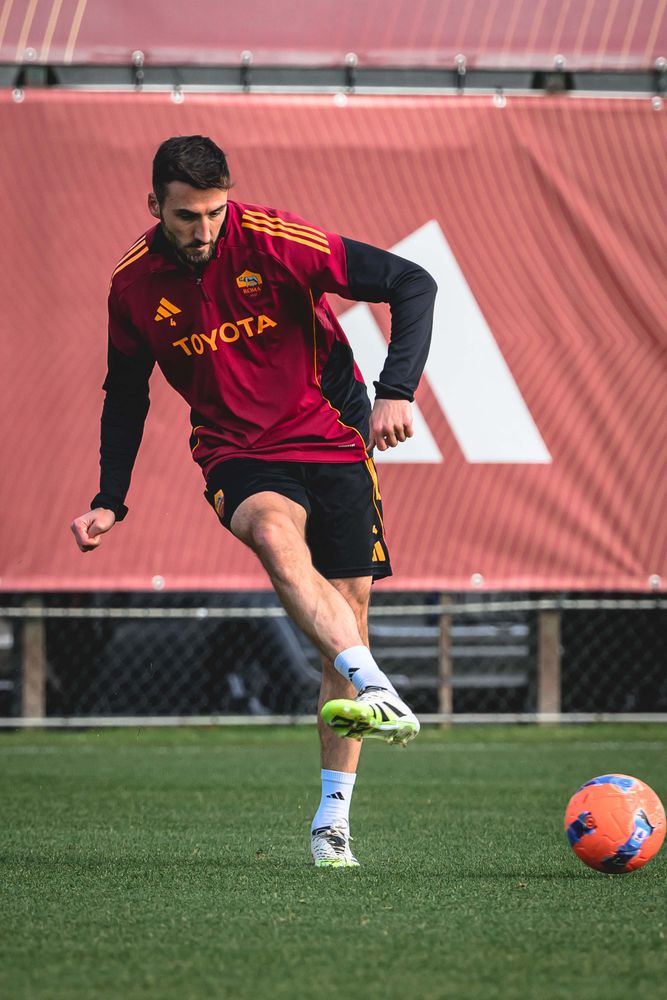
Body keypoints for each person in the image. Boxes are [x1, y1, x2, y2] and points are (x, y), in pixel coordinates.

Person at [71, 135, 437, 868]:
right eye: (185, 217)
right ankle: (379, 688)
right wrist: (111, 496)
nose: (202, 231)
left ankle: (332, 821)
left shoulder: (275, 240)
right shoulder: (133, 285)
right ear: (155, 207)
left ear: (227, 198)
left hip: (332, 438)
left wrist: (396, 391)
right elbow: (125, 393)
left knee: (346, 618)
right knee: (272, 536)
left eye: (212, 213)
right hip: (235, 451)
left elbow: (412, 281)